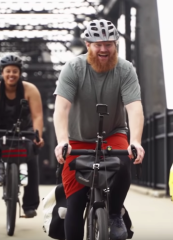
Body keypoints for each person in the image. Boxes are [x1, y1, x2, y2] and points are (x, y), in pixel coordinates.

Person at [52, 19, 145, 240]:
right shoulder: (73, 68)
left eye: (109, 44)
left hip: (112, 134)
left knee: (123, 164)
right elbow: (61, 109)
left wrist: (136, 141)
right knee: (74, 204)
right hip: (77, 138)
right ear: (87, 45)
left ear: (116, 45)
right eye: (98, 44)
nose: (104, 49)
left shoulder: (125, 69)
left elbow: (134, 108)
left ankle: (114, 214)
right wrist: (62, 141)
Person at [0, 54, 44, 218]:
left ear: (20, 73)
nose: (11, 75)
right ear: (2, 72)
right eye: (8, 71)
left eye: (15, 71)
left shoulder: (30, 90)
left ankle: (29, 205)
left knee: (32, 155)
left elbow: (37, 116)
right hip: (0, 129)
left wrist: (37, 136)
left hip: (25, 129)